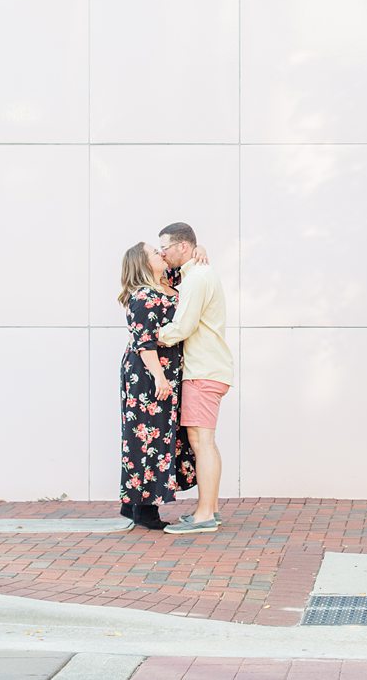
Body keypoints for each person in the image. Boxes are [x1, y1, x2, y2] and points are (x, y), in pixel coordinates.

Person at [155, 222, 234, 535]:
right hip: (210, 369)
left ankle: (204, 515)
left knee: (201, 442)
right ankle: (210, 507)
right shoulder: (197, 273)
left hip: (202, 371)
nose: (162, 252)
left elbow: (183, 326)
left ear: (182, 247)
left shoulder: (197, 278)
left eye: (165, 246)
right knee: (206, 442)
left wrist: (152, 337)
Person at [117, 242, 196, 530]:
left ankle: (132, 504)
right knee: (146, 436)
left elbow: (186, 266)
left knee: (163, 434)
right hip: (148, 373)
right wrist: (160, 378)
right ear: (143, 263)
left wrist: (201, 250)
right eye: (154, 252)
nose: (161, 254)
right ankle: (144, 509)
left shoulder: (168, 283)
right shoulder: (142, 296)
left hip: (167, 370)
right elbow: (144, 342)